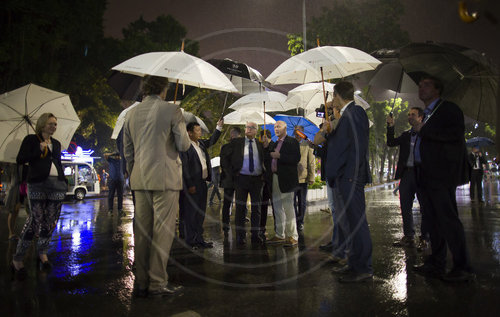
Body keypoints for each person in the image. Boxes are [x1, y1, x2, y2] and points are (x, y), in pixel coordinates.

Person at [123, 75, 191, 297]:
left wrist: (135, 172)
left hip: (140, 178)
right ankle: (158, 282)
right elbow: (183, 144)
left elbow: (128, 151)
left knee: (142, 231)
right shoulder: (172, 111)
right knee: (162, 231)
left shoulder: (131, 113)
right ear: (164, 89)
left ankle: (142, 280)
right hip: (165, 178)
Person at [412, 75, 473, 282]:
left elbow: (455, 135)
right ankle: (436, 263)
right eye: (420, 85)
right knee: (432, 221)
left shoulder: (449, 109)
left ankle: (462, 266)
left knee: (447, 219)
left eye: (426, 84)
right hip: (425, 174)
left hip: (441, 174)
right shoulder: (427, 114)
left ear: (438, 89)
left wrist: (424, 130)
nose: (421, 88)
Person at [325, 81, 373, 283]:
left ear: (337, 95)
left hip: (351, 177)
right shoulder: (346, 115)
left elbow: (359, 147)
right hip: (344, 177)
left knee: (357, 221)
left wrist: (352, 175)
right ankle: (354, 264)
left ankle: (363, 267)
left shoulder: (356, 112)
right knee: (351, 223)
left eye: (332, 95)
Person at [12, 113, 68, 279]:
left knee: (50, 221)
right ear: (43, 124)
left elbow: (57, 162)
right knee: (35, 221)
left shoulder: (56, 143)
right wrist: (38, 150)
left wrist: (63, 181)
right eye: (51, 124)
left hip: (57, 185)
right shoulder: (31, 140)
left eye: (55, 124)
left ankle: (42, 253)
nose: (54, 127)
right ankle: (18, 258)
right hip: (37, 183)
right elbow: (20, 159)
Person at [387, 107, 430, 251]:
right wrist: (390, 126)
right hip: (407, 174)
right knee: (405, 206)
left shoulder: (427, 134)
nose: (410, 117)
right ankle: (408, 236)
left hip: (423, 173)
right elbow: (391, 142)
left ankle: (424, 238)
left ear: (421, 117)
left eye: (413, 115)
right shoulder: (406, 135)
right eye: (409, 115)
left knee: (425, 207)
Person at [179, 120, 223, 249]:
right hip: (192, 184)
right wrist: (190, 184)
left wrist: (218, 127)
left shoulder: (201, 144)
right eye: (197, 130)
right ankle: (190, 240)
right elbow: (185, 167)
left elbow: (212, 140)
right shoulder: (185, 146)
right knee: (191, 213)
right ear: (189, 133)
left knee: (200, 213)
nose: (200, 133)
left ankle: (199, 239)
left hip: (203, 182)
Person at [227, 121, 266, 246]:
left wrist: (267, 143)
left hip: (257, 180)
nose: (248, 129)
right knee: (240, 208)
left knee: (256, 208)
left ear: (256, 131)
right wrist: (233, 173)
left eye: (251, 128)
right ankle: (240, 236)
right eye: (247, 127)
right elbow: (226, 157)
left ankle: (255, 235)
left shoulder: (260, 144)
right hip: (241, 179)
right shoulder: (237, 142)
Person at [264, 120, 301, 247]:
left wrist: (280, 156)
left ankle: (292, 236)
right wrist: (266, 146)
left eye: (278, 126)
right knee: (277, 207)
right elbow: (268, 157)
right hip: (274, 178)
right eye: (275, 127)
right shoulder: (275, 143)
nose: (276, 129)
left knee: (288, 207)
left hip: (287, 179)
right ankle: (280, 235)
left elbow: (296, 159)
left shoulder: (292, 142)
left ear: (285, 128)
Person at [219, 127, 241, 235]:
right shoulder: (240, 147)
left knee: (227, 203)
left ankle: (226, 225)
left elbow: (223, 163)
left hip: (228, 178)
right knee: (238, 202)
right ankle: (235, 224)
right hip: (235, 178)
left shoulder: (225, 147)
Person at [293, 125, 315, 232]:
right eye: (296, 132)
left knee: (302, 202)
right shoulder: (289, 143)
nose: (297, 134)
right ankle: (294, 221)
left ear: (303, 133)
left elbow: (311, 162)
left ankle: (300, 222)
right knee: (292, 202)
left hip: (303, 178)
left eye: (299, 132)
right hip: (292, 179)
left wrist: (311, 177)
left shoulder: (307, 145)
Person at [5, 163, 29, 240]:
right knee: (13, 211)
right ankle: (11, 233)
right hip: (17, 187)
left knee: (30, 211)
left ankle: (29, 232)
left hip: (27, 186)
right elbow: (9, 174)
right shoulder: (14, 162)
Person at [258, 129, 274, 241]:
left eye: (262, 137)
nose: (261, 140)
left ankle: (279, 229)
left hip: (272, 180)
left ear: (267, 137)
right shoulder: (259, 148)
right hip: (261, 181)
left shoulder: (274, 146)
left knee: (275, 206)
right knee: (262, 206)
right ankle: (261, 228)